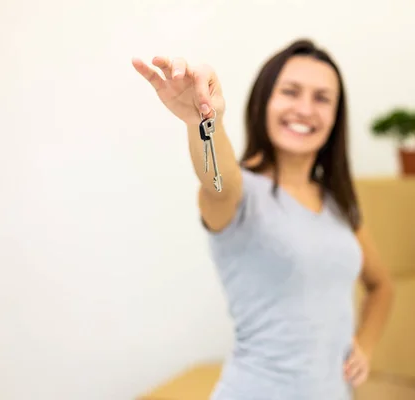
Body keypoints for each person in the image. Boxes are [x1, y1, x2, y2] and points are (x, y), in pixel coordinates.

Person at [132, 39, 394, 400]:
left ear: (336, 116)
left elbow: (381, 286)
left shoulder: (338, 202)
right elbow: (216, 180)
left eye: (322, 98)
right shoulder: (239, 193)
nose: (305, 108)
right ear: (264, 102)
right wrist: (205, 123)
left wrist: (365, 345)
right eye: (290, 92)